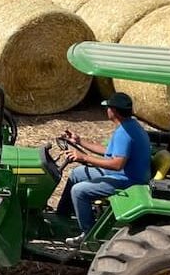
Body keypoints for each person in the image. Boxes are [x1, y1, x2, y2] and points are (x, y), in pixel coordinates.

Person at [57, 92, 152, 245]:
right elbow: (109, 151)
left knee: (78, 191)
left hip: (129, 182)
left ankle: (89, 236)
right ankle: (63, 216)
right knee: (76, 173)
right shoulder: (130, 125)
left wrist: (84, 157)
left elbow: (117, 164)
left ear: (113, 111)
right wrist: (79, 141)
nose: (106, 110)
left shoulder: (125, 133)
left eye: (108, 108)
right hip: (125, 175)